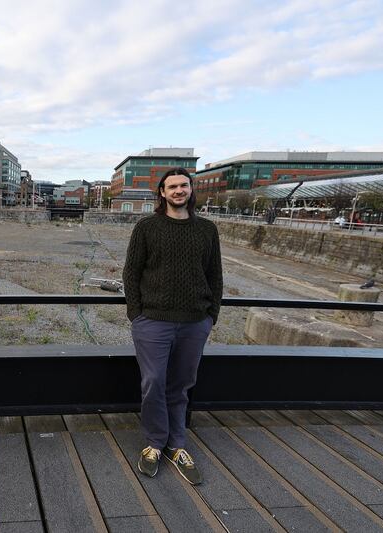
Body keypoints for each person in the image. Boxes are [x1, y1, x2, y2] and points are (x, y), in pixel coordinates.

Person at [122, 167, 223, 485]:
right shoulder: (147, 227)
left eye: (184, 185)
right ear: (162, 193)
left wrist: (211, 316)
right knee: (153, 383)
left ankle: (176, 445)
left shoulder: (207, 230)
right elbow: (131, 273)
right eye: (172, 187)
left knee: (180, 387)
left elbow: (215, 275)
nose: (179, 190)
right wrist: (136, 314)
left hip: (195, 323)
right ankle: (154, 442)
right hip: (153, 322)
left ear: (191, 190)